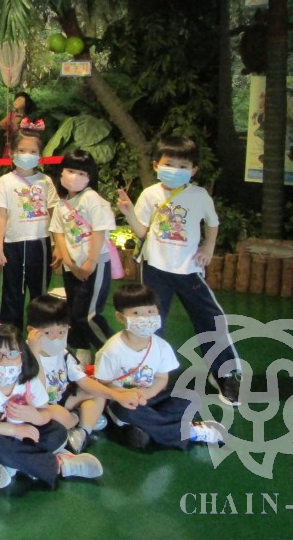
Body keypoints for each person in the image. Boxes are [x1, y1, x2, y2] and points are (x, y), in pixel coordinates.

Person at [116, 136, 242, 406]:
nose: (174, 169)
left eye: (183, 166)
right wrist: (128, 213)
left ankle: (224, 374)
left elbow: (212, 223)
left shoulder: (199, 196)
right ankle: (148, 374)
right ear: (156, 165)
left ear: (194, 170)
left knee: (211, 318)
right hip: (154, 269)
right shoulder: (150, 194)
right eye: (169, 164)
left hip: (189, 269)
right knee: (150, 323)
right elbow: (142, 232)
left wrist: (208, 248)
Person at [0, 323, 102, 491]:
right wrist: (14, 430)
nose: (5, 361)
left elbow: (45, 412)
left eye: (12, 353)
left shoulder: (28, 379)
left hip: (21, 428)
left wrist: (35, 416)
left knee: (58, 432)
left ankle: (4, 463)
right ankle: (59, 464)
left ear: (22, 355)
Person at [94, 285, 225, 451]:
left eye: (151, 311)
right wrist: (128, 395)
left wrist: (147, 393)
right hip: (124, 401)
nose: (145, 317)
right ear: (120, 317)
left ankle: (147, 428)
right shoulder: (111, 350)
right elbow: (103, 384)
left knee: (191, 397)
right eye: (136, 313)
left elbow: (162, 378)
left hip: (151, 397)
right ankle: (188, 431)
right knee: (128, 412)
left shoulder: (161, 346)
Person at [25, 295, 137, 453]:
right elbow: (37, 392)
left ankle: (82, 433)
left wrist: (116, 395)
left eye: (62, 332)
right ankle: (78, 418)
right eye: (48, 333)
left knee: (98, 393)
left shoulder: (63, 353)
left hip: (61, 398)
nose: (56, 338)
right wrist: (34, 353)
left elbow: (84, 381)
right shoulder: (23, 355)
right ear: (31, 332)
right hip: (39, 406)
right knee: (56, 413)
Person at [0, 123, 57, 330]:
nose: (27, 155)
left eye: (33, 151)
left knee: (40, 292)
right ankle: (10, 334)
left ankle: (41, 331)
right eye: (22, 150)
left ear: (40, 155)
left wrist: (57, 245)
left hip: (40, 244)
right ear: (11, 153)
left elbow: (54, 214)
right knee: (11, 292)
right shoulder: (4, 182)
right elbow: (1, 216)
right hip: (12, 244)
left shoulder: (45, 181)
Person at [49, 149, 114, 358]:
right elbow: (59, 234)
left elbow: (99, 231)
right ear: (61, 172)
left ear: (90, 177)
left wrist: (90, 262)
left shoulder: (92, 199)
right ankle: (82, 350)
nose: (75, 177)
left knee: (88, 314)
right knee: (73, 311)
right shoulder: (61, 204)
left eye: (82, 173)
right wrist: (70, 264)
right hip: (72, 267)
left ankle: (113, 353)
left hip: (94, 265)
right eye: (70, 171)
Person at [0, 91, 37, 157]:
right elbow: (1, 124)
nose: (16, 101)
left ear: (26, 103)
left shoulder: (28, 117)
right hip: (10, 143)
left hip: (22, 143)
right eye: (16, 99)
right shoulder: (11, 115)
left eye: (20, 99)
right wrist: (7, 126)